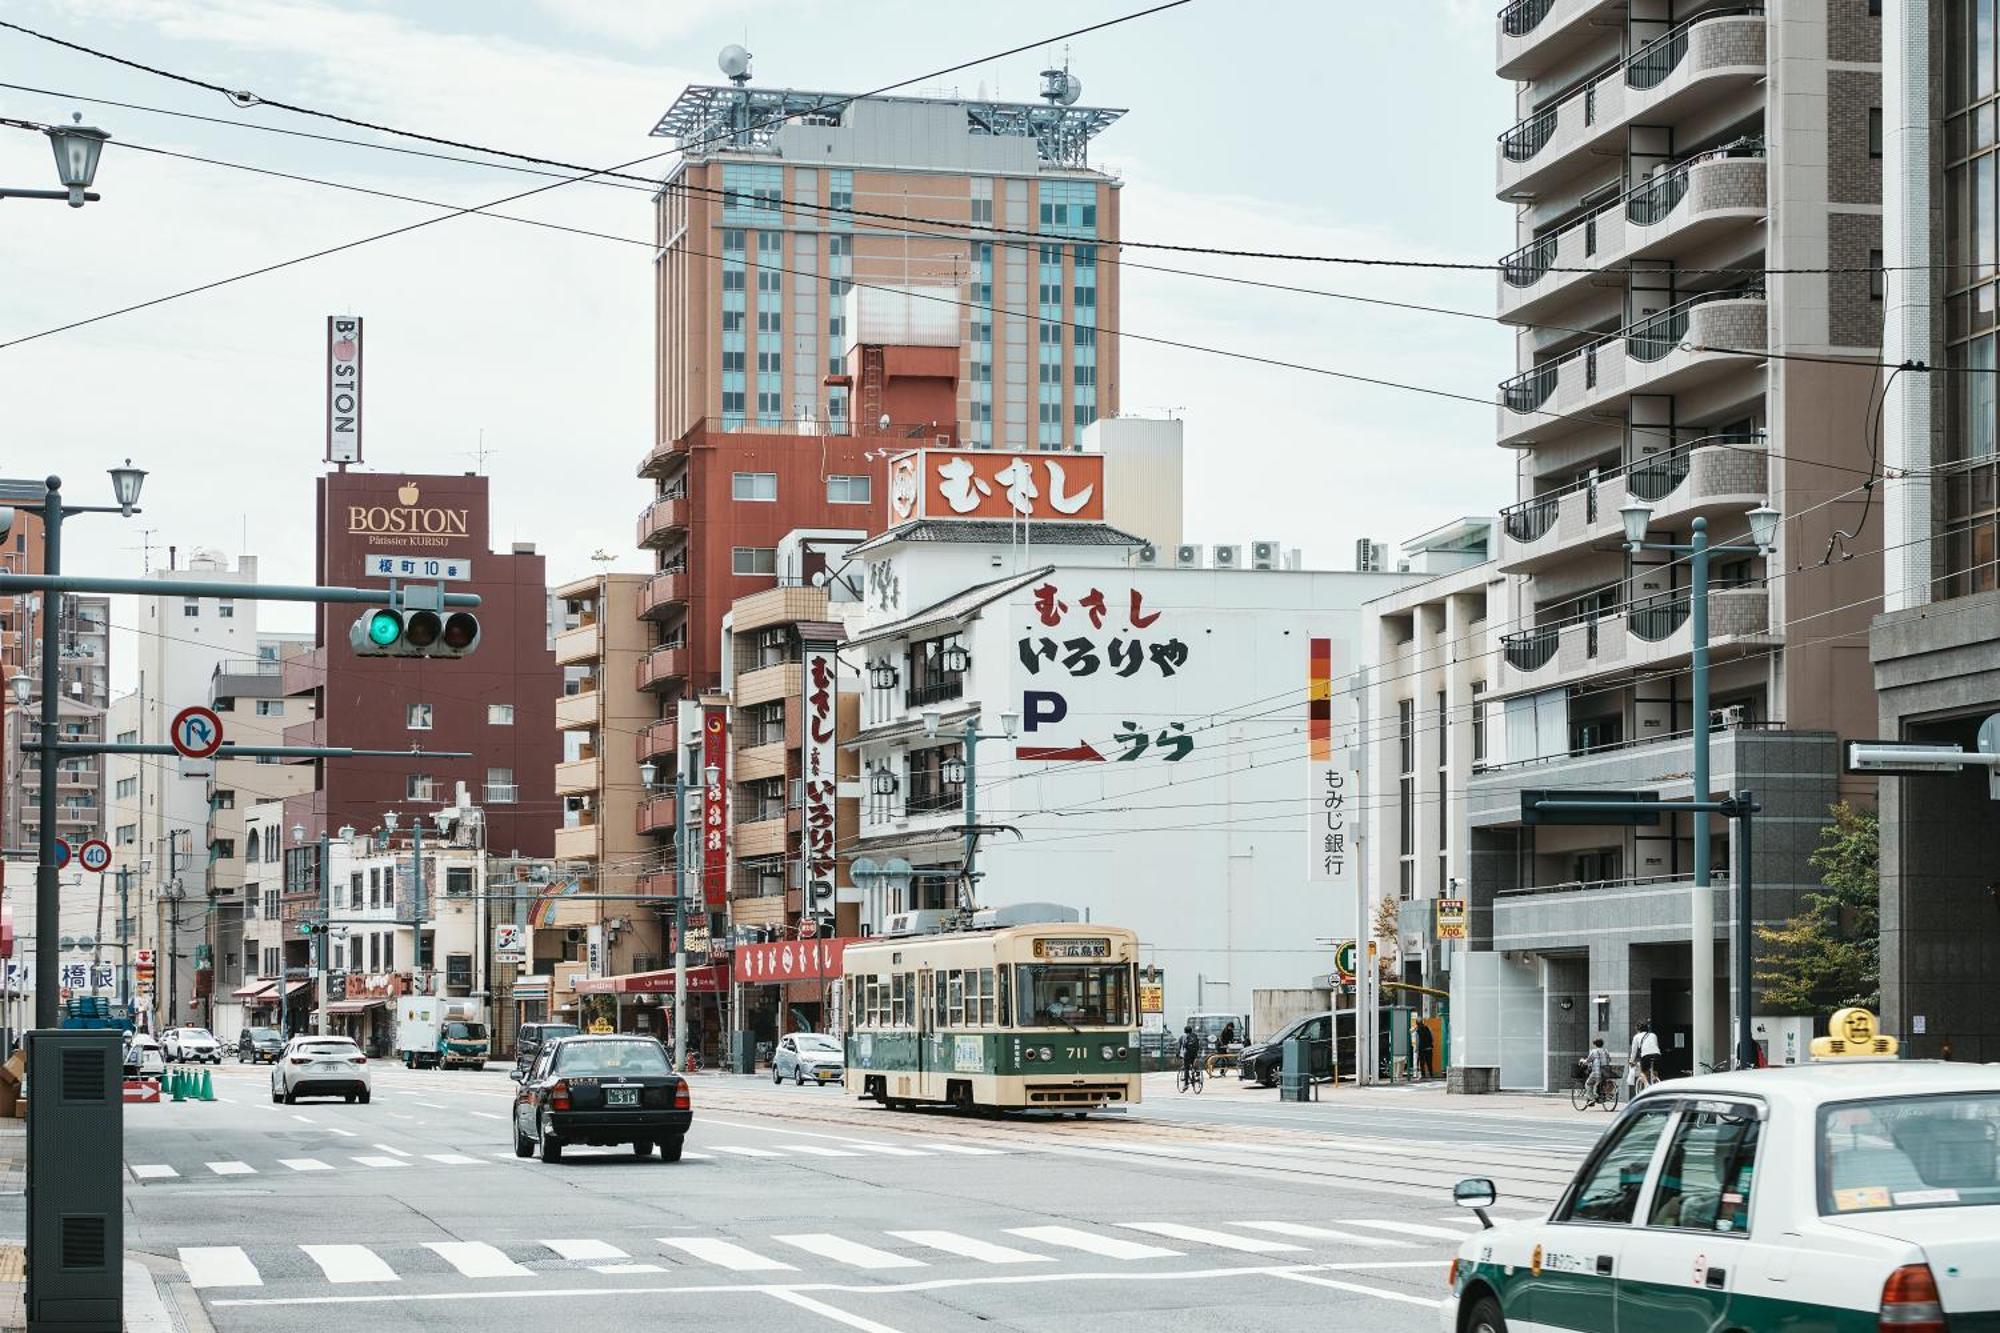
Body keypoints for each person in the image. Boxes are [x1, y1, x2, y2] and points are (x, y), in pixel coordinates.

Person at [1629, 1021, 1662, 1088]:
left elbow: (1634, 1052)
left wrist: (1631, 1061)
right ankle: (1656, 1082)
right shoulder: (1653, 1035)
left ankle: (1647, 1085)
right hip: (1657, 1055)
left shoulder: (1636, 1037)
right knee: (1655, 1072)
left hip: (1646, 1055)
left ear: (1638, 1029)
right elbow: (1656, 1045)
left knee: (1643, 1072)